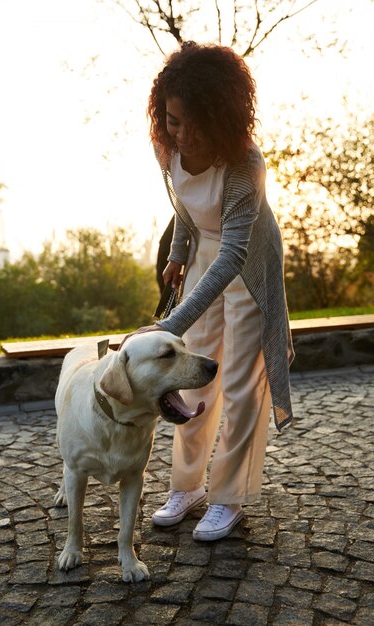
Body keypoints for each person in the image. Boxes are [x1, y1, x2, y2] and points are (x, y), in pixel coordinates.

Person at [133, 41, 294, 541]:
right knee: (193, 374)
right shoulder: (167, 145)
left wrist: (170, 324)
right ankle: (187, 486)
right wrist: (179, 253)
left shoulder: (245, 163)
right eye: (170, 119)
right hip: (204, 253)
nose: (177, 132)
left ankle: (228, 496)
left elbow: (234, 254)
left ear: (217, 116)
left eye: (187, 121)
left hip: (247, 265)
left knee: (242, 383)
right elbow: (184, 207)